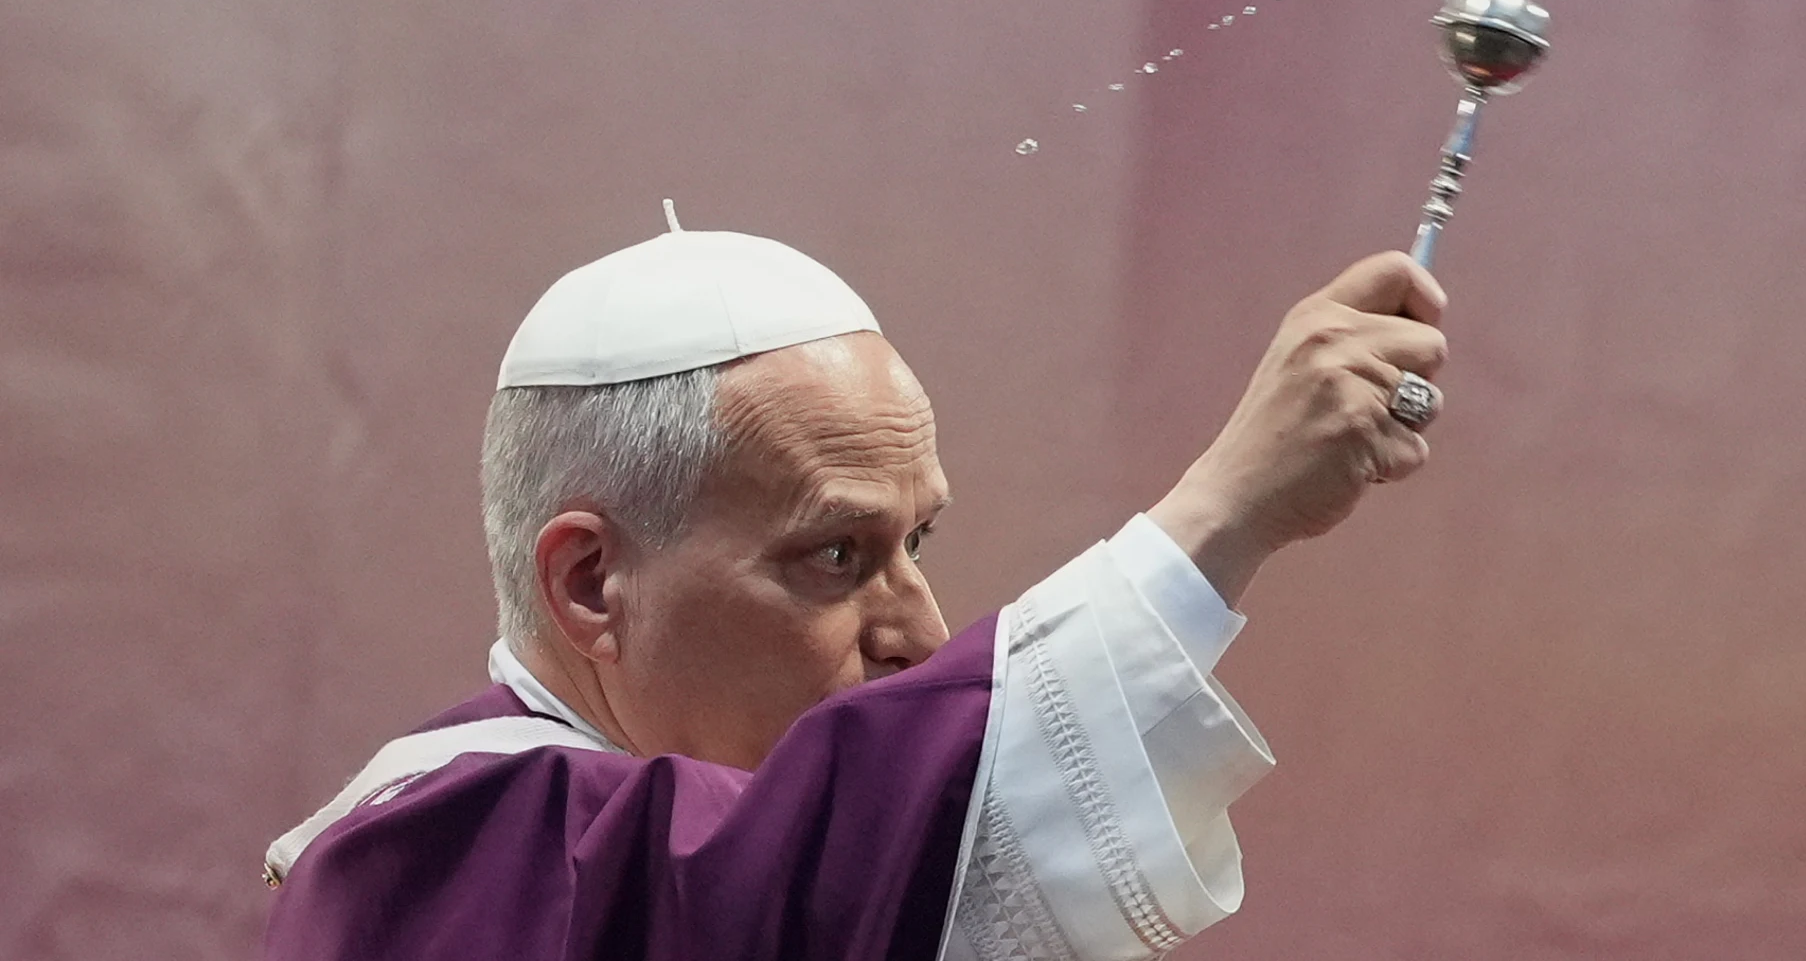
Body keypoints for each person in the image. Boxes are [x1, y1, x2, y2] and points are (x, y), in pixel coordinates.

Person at [261, 204, 1448, 961]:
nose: (920, 636)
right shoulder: (461, 854)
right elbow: (809, 874)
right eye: (834, 556)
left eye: (914, 544)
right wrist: (1219, 513)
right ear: (589, 584)